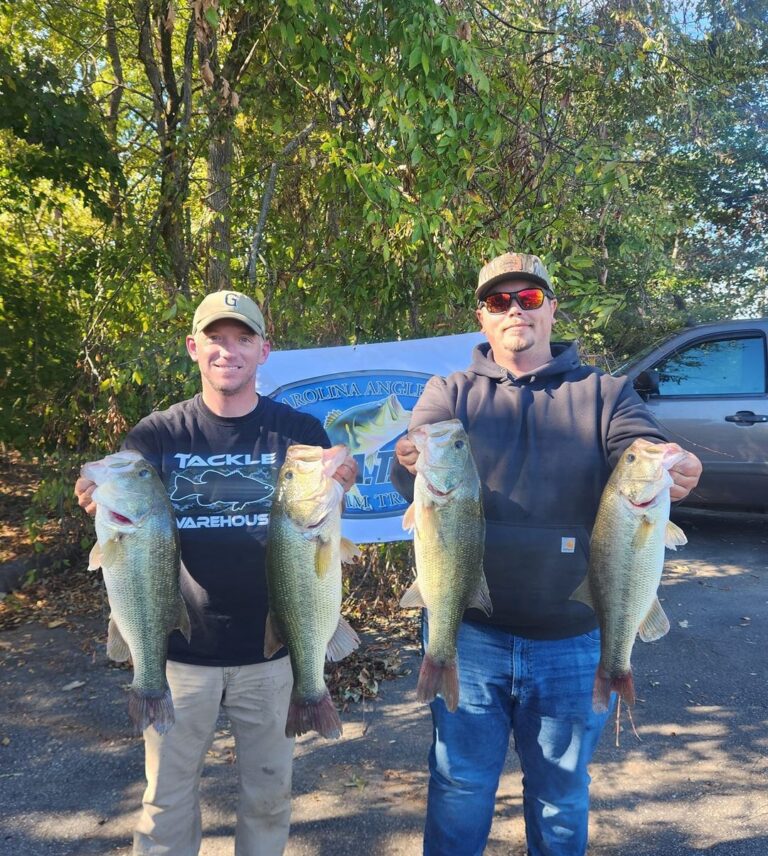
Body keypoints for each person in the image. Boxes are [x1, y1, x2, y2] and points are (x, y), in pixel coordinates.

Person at [390, 253, 702, 856]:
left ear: (552, 309)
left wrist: (677, 463)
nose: (515, 311)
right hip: (470, 634)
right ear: (482, 316)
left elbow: (644, 449)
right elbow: (413, 473)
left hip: (573, 638)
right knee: (459, 787)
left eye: (529, 299)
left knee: (560, 795)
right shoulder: (448, 392)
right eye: (499, 301)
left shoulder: (606, 394)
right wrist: (407, 460)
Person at [75, 290, 357, 856]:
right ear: (193, 348)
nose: (228, 351)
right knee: (165, 799)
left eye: (243, 339)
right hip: (178, 650)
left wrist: (340, 476)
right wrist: (96, 496)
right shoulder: (159, 433)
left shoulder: (296, 430)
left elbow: (327, 504)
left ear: (264, 350)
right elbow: (124, 500)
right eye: (216, 338)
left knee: (269, 797)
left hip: (275, 653)